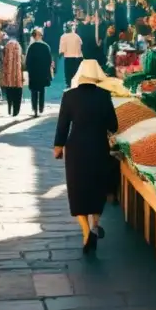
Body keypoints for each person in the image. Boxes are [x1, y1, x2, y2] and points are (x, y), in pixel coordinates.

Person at [54, 60, 118, 254]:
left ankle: (85, 232)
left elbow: (63, 124)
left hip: (76, 149)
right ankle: (95, 223)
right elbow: (113, 125)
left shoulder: (69, 96)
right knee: (96, 186)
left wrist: (58, 147)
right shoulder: (104, 95)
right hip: (99, 146)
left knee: (77, 189)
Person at [25, 28, 54, 116]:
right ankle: (41, 107)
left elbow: (27, 61)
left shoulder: (31, 47)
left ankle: (35, 109)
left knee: (34, 91)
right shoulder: (45, 46)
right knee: (42, 90)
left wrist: (29, 70)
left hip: (33, 72)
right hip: (42, 72)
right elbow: (49, 60)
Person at [1, 35, 25, 117]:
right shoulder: (18, 46)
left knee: (9, 92)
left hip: (8, 74)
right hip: (18, 74)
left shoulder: (6, 47)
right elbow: (22, 62)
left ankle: (9, 107)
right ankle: (16, 110)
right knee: (18, 93)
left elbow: (3, 60)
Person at [58, 23, 84, 87]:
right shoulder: (76, 36)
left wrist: (60, 55)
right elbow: (81, 43)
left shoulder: (63, 36)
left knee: (68, 73)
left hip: (69, 57)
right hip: (78, 57)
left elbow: (62, 49)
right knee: (76, 72)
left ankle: (69, 85)